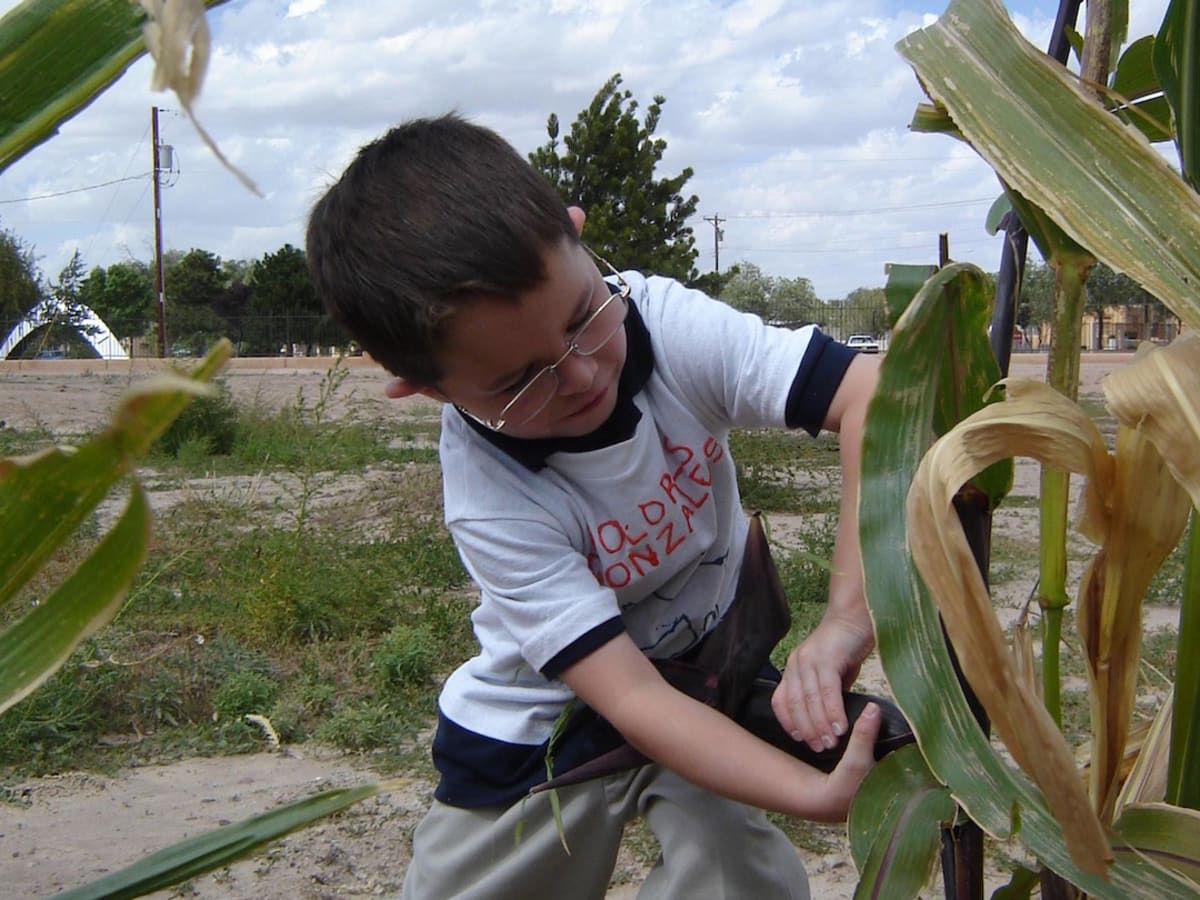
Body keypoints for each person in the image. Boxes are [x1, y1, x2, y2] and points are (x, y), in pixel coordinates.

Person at [306, 113, 882, 900]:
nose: (579, 377)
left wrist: (848, 618)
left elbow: (871, 398)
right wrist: (815, 796)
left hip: (708, 679)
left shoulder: (664, 325)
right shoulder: (492, 495)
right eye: (520, 382)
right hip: (544, 726)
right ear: (422, 386)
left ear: (577, 236)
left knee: (743, 880)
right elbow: (630, 697)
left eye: (583, 318)